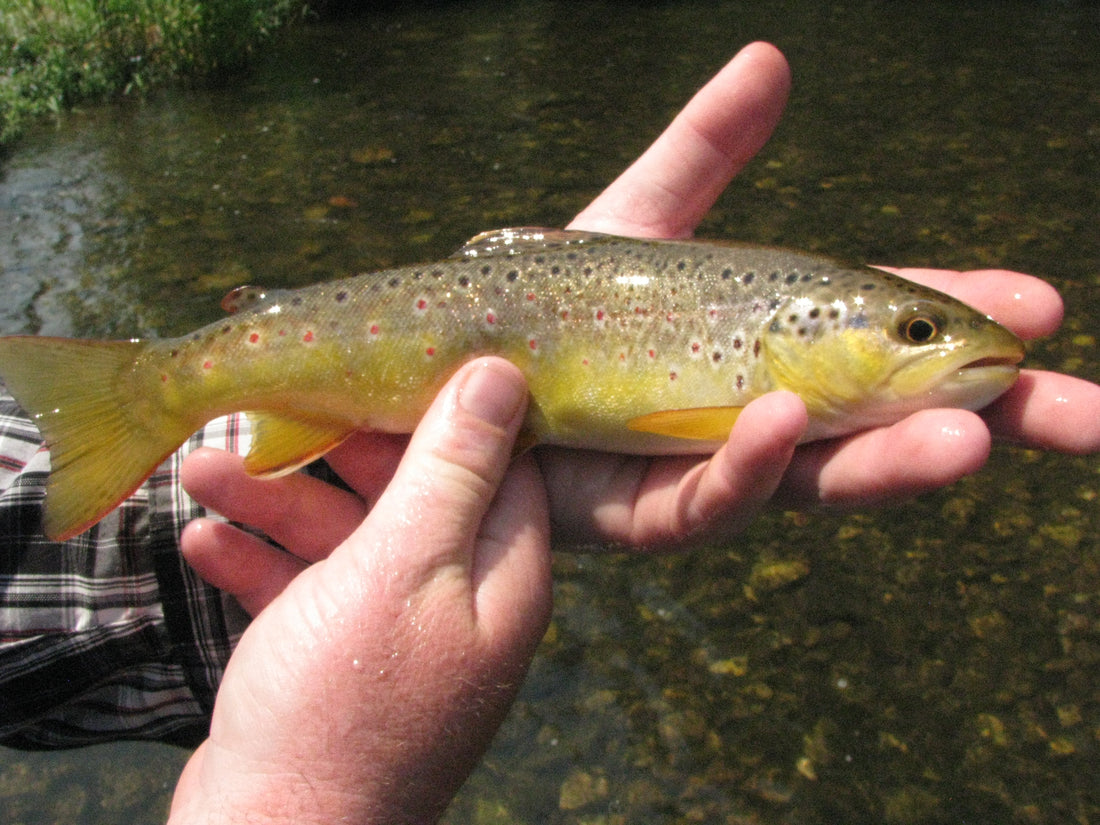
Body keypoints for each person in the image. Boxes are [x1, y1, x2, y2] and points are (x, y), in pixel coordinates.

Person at [0, 41, 1094, 822]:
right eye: (909, 330)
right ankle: (148, 395)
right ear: (789, 332)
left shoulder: (785, 379)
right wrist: (311, 797)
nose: (927, 348)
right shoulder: (759, 388)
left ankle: (161, 410)